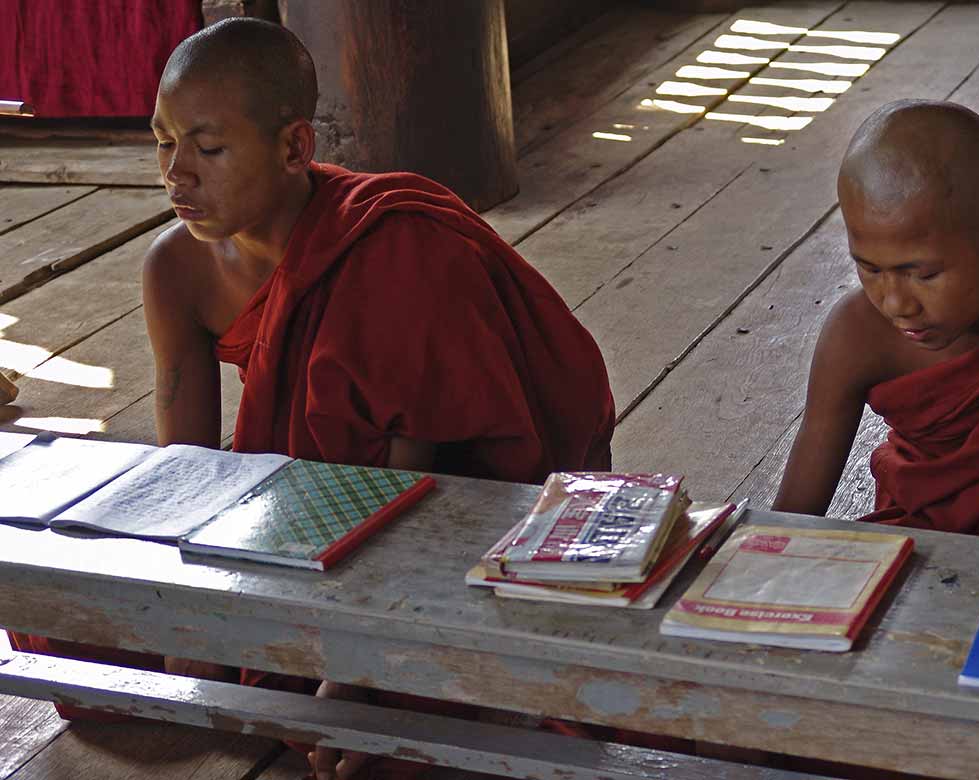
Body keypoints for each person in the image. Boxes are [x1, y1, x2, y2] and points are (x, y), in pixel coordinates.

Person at [14, 16, 616, 780]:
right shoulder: (176, 268)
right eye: (163, 141)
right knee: (48, 623)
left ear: (295, 147)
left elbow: (410, 487)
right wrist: (183, 628)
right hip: (293, 518)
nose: (177, 173)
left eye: (209, 147)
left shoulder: (392, 245)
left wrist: (357, 669)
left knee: (413, 727)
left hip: (437, 527)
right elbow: (187, 471)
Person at [773, 99, 979, 539]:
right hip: (927, 544)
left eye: (923, 274)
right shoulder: (858, 335)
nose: (896, 303)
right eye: (871, 269)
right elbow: (791, 519)